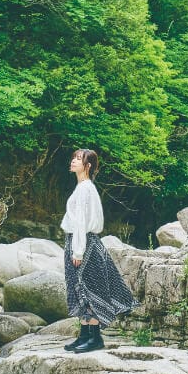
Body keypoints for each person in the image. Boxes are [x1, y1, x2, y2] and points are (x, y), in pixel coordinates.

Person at [60, 148, 139, 353]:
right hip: (80, 242)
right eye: (73, 158)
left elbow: (81, 223)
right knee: (79, 288)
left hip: (84, 243)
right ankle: (84, 335)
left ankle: (95, 338)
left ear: (87, 166)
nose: (73, 161)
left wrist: (77, 252)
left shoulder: (86, 189)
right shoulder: (82, 187)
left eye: (78, 159)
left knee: (89, 289)